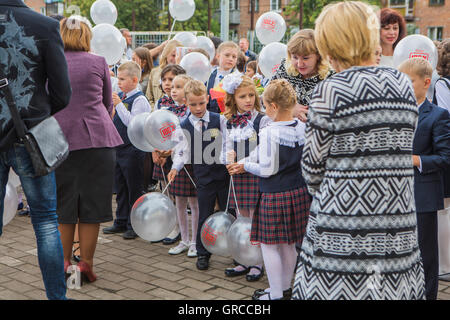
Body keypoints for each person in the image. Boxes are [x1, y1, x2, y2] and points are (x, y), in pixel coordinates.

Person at [292, 1, 425, 300]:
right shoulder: (403, 83)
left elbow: (312, 169)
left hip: (343, 230)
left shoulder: (331, 89)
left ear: (330, 39)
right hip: (396, 224)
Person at [0, 0, 71, 300]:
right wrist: (37, 117)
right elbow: (62, 94)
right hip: (29, 136)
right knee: (45, 222)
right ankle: (57, 297)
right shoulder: (44, 25)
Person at [228, 79, 310, 300]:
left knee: (270, 245)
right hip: (298, 192)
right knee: (289, 244)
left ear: (273, 106)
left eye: (264, 105)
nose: (263, 110)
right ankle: (284, 288)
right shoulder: (301, 127)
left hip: (275, 195)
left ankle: (275, 294)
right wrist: (246, 159)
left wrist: (244, 165)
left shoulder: (270, 132)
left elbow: (266, 169)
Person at [55, 17, 123, 284]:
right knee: (92, 207)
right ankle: (86, 264)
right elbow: (107, 104)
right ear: (86, 36)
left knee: (64, 206)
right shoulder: (98, 62)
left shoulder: (52, 62)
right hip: (97, 140)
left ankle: (62, 263)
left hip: (61, 141)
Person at [399, 57, 450, 300]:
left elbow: (445, 157)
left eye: (408, 81)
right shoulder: (395, 113)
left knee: (426, 254)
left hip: (423, 195)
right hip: (395, 195)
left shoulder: (437, 115)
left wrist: (416, 159)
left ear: (425, 82)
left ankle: (428, 295)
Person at [168, 79, 229, 271]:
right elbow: (182, 151)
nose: (198, 108)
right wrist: (175, 168)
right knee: (204, 214)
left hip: (224, 175)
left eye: (201, 103)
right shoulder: (184, 125)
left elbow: (227, 143)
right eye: (193, 104)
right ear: (186, 102)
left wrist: (227, 159)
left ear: (207, 99)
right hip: (203, 177)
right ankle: (203, 253)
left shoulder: (219, 119)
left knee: (230, 212)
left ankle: (236, 250)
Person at [222, 74, 271, 282]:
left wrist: (245, 164)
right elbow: (226, 145)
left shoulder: (262, 119)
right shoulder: (230, 121)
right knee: (241, 217)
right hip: (238, 175)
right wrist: (228, 158)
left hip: (254, 172)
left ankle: (257, 261)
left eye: (251, 95)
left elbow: (263, 147)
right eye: (243, 96)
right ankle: (243, 258)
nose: (248, 100)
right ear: (234, 99)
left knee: (254, 218)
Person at [103, 61, 151, 240]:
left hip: (133, 149)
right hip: (119, 148)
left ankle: (134, 224)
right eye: (119, 78)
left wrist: (119, 105)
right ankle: (121, 220)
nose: (119, 82)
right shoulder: (123, 97)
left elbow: (132, 123)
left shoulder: (139, 100)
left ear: (134, 80)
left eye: (123, 79)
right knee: (121, 187)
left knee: (134, 188)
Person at [164, 75, 200, 257]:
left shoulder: (192, 116)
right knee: (179, 201)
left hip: (193, 165)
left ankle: (194, 241)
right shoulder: (172, 114)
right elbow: (177, 145)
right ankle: (184, 239)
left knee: (194, 203)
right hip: (177, 163)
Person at [152, 64, 187, 245]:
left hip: (178, 154)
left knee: (178, 194)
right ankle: (169, 223)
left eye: (172, 80)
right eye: (165, 80)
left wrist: (171, 150)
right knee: (165, 190)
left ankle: (180, 228)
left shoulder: (186, 104)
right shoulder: (161, 103)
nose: (167, 84)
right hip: (162, 153)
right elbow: (152, 127)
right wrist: (154, 150)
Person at [270, 29, 333, 123]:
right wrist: (289, 109)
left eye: (305, 58)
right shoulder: (284, 68)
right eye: (295, 57)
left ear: (318, 56)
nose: (299, 64)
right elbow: (267, 99)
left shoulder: (330, 77)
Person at [433, 38, 450, 282]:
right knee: (445, 208)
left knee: (446, 209)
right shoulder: (442, 84)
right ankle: (445, 264)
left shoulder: (442, 84)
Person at [145, 39, 182, 108]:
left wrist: (178, 68)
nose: (176, 58)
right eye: (173, 55)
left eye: (178, 55)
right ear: (166, 54)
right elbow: (149, 97)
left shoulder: (184, 74)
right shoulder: (154, 72)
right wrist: (155, 111)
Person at [206, 41, 240, 114]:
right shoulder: (209, 75)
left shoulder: (238, 77)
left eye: (234, 57)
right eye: (227, 55)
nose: (231, 59)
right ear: (218, 56)